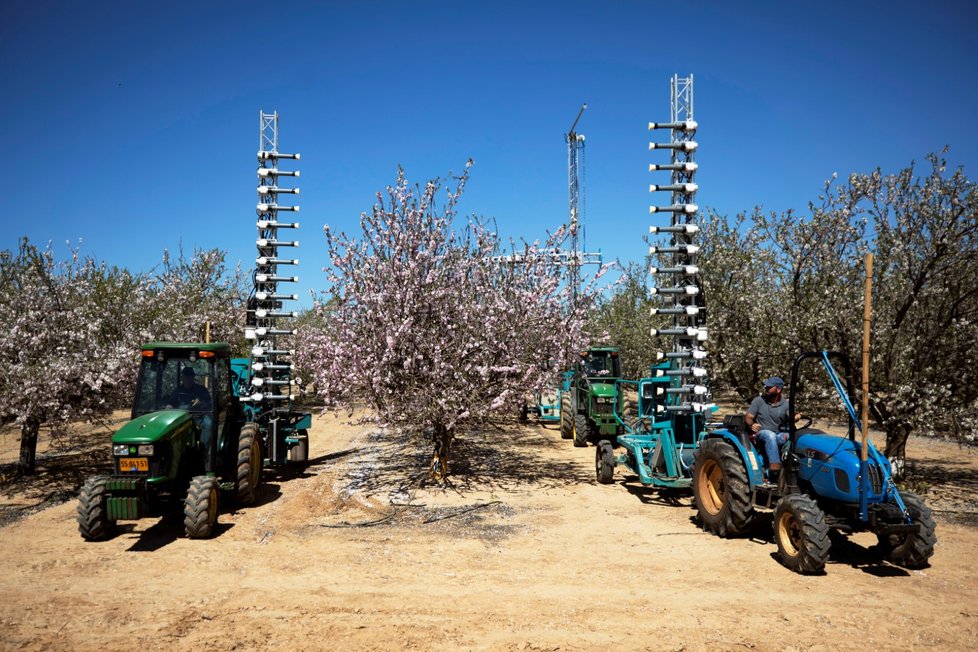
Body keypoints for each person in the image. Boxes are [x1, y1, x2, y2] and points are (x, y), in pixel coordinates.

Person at [745, 376, 801, 475]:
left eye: (769, 387)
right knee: (769, 435)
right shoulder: (759, 401)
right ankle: (774, 468)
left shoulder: (786, 404)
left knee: (793, 437)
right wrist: (752, 425)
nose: (766, 388)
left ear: (778, 389)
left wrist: (795, 417)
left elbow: (792, 416)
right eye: (766, 386)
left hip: (779, 435)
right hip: (762, 434)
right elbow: (748, 417)